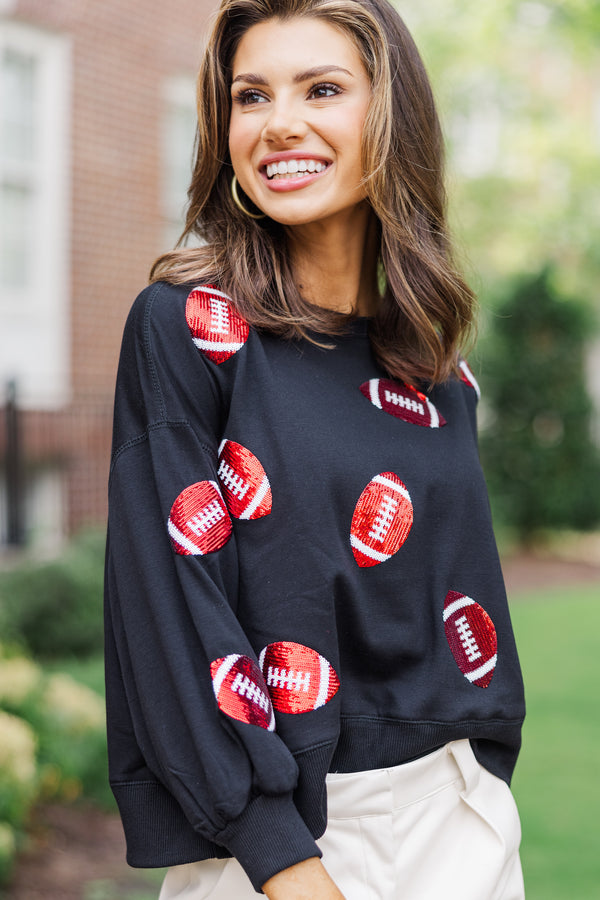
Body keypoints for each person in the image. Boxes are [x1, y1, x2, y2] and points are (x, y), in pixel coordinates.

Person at [104, 0, 526, 897]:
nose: (278, 123)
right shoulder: (190, 329)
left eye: (322, 88)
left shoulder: (440, 375)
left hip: (460, 824)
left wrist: (484, 774)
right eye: (250, 96)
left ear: (390, 118)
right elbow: (168, 606)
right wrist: (283, 861)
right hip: (287, 849)